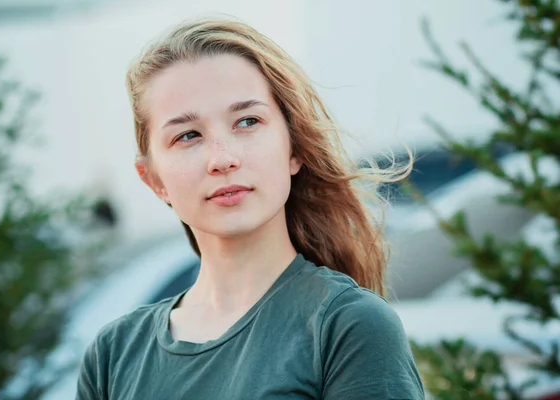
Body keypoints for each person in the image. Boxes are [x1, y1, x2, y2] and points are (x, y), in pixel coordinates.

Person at [76, 15, 425, 400]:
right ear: (154, 180)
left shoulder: (347, 327)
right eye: (188, 135)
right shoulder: (113, 355)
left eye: (247, 121)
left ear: (294, 149)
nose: (222, 159)